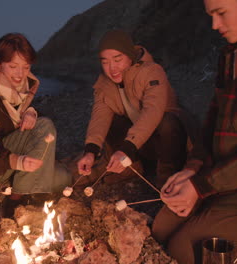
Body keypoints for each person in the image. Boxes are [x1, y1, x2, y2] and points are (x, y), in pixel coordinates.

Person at [152, 0, 237, 263]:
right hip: (222, 179)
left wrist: (201, 186)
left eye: (220, 13)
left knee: (186, 249)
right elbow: (212, 124)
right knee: (161, 228)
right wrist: (193, 168)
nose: (214, 25)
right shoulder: (232, 54)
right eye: (211, 15)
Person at [76, 29, 204, 189]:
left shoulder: (151, 71)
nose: (112, 68)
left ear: (130, 55)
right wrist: (90, 152)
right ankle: (131, 168)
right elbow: (99, 118)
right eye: (105, 62)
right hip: (140, 145)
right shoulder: (104, 84)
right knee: (112, 121)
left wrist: (126, 149)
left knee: (168, 122)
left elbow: (153, 111)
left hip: (171, 142)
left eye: (117, 59)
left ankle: (167, 178)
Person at [0, 33, 71, 213]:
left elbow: (22, 119)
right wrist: (16, 162)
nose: (20, 74)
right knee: (45, 126)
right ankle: (18, 203)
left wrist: (32, 112)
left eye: (26, 67)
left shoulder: (20, 91)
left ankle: (24, 190)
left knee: (63, 177)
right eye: (13, 66)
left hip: (10, 162)